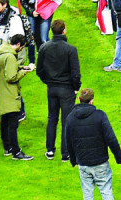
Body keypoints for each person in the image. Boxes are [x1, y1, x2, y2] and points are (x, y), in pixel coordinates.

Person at [65, 88, 121, 197]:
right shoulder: (100, 115)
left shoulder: (70, 118)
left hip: (83, 163)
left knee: (87, 194)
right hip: (100, 162)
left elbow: (68, 141)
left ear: (79, 99)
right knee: (106, 192)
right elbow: (111, 138)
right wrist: (119, 158)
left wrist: (73, 160)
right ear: (92, 100)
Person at [37, 20, 81, 161]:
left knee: (52, 118)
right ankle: (65, 152)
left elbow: (39, 70)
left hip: (52, 88)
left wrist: (48, 81)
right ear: (64, 30)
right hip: (66, 89)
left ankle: (50, 150)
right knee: (66, 120)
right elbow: (75, 73)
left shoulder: (44, 47)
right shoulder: (70, 49)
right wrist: (76, 87)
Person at [0, 33, 33, 160]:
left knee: (5, 121)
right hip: (10, 93)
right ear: (18, 44)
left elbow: (6, 70)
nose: (22, 49)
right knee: (12, 123)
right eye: (22, 47)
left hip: (1, 91)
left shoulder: (2, 53)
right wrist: (24, 72)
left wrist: (21, 67)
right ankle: (16, 152)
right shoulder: (10, 56)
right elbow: (11, 77)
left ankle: (7, 148)